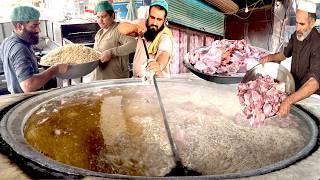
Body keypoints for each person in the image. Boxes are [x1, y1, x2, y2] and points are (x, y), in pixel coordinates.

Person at [260, 1, 320, 117]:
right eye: (296, 23)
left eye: (302, 24)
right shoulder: (296, 36)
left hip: (311, 97)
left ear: (312, 23)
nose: (297, 28)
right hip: (294, 91)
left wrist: (288, 101)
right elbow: (284, 54)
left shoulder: (317, 43)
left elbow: (314, 83)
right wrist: (269, 57)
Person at [0, 6, 68, 94]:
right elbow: (28, 86)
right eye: (34, 26)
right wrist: (55, 69)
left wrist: (35, 59)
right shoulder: (20, 48)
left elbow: (14, 62)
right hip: (24, 100)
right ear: (19, 26)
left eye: (38, 25)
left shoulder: (7, 41)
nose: (39, 30)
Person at [117, 0, 173, 78]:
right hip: (138, 81)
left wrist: (157, 66)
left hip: (156, 84)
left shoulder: (165, 36)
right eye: (152, 17)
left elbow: (164, 54)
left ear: (164, 20)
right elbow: (121, 28)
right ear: (148, 15)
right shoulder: (143, 24)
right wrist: (135, 28)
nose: (154, 23)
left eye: (159, 19)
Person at [91, 1, 136, 80]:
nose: (100, 20)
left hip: (114, 80)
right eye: (98, 17)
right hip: (98, 79)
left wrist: (111, 52)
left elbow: (133, 44)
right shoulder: (99, 33)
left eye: (103, 17)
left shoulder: (119, 29)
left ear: (112, 16)